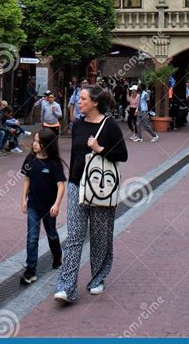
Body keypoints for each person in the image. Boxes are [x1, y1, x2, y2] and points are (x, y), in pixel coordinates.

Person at [54, 85, 128, 303]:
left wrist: (99, 149)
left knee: (100, 236)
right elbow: (76, 156)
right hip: (77, 186)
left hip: (101, 188)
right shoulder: (77, 124)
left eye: (83, 98)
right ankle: (66, 288)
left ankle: (97, 278)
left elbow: (122, 155)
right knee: (74, 237)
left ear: (95, 102)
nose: (79, 101)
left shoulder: (110, 125)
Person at [20, 129, 66, 285]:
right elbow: (27, 179)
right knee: (32, 238)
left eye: (38, 141)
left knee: (52, 234)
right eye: (34, 140)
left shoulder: (54, 163)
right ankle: (30, 270)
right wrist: (24, 199)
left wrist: (57, 204)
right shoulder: (30, 159)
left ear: (47, 144)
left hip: (49, 207)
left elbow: (61, 186)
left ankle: (58, 256)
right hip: (33, 205)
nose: (34, 144)